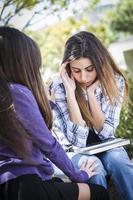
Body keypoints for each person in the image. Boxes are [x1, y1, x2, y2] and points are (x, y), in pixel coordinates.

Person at [0, 27, 110, 200]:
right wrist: (79, 175)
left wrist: (48, 104)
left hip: (11, 185)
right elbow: (48, 144)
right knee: (99, 193)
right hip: (25, 186)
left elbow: (24, 124)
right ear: (20, 61)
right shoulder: (17, 93)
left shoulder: (6, 95)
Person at [49, 31, 133, 200]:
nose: (83, 77)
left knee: (118, 160)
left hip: (106, 146)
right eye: (76, 71)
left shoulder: (114, 80)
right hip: (73, 151)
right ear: (67, 68)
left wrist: (92, 94)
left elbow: (107, 133)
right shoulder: (58, 85)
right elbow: (76, 141)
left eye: (89, 69)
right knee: (93, 167)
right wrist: (70, 92)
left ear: (99, 64)